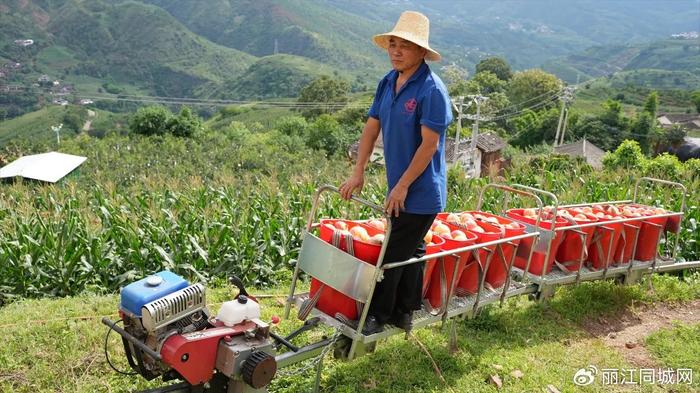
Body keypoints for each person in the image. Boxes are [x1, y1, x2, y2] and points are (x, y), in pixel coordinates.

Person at [339, 11, 452, 335]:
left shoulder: (431, 90)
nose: (396, 51)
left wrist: (401, 187)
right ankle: (405, 312)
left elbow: (429, 147)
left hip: (421, 190)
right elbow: (371, 127)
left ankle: (375, 317)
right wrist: (358, 171)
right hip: (400, 187)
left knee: (393, 253)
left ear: (421, 52)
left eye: (405, 45)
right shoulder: (388, 82)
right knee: (412, 250)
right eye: (393, 43)